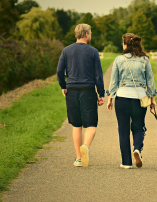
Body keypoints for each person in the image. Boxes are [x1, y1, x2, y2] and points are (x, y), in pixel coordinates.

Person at [106, 33, 157, 169]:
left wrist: (110, 98)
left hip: (122, 98)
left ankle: (126, 162)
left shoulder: (119, 59)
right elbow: (150, 81)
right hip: (140, 98)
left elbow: (114, 81)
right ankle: (137, 149)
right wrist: (152, 99)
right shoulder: (145, 60)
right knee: (138, 126)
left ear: (125, 44)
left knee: (123, 130)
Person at [57, 23, 105, 168]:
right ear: (86, 34)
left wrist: (63, 86)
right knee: (91, 125)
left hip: (71, 90)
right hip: (88, 91)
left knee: (76, 125)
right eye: (90, 33)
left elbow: (60, 71)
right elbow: (98, 75)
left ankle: (78, 158)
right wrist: (101, 93)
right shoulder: (93, 52)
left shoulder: (66, 51)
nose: (90, 36)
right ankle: (85, 146)